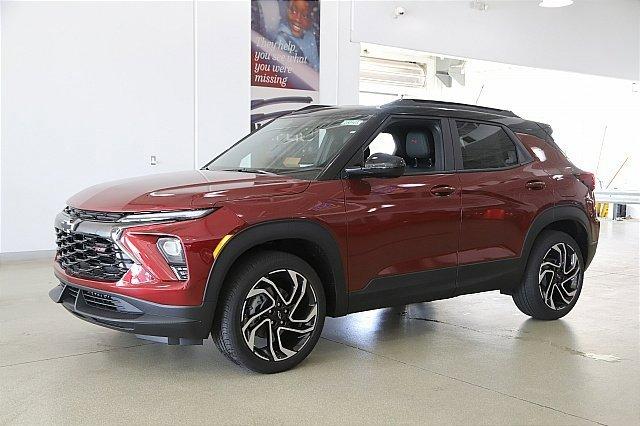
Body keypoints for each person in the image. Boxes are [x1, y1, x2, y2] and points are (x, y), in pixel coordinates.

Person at [275, 0, 319, 71]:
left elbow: (316, 66)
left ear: (311, 19)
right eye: (294, 11)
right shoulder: (281, 39)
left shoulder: (310, 36)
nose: (298, 19)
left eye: (305, 15)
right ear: (287, 10)